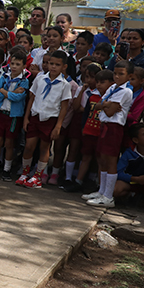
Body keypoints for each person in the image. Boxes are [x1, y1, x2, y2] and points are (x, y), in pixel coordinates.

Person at [17, 51, 72, 189]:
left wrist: (58, 126)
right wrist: (26, 118)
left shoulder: (65, 85)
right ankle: (25, 173)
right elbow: (32, 98)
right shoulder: (40, 79)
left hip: (50, 119)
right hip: (35, 117)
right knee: (29, 146)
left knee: (44, 147)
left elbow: (64, 107)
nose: (53, 67)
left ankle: (38, 176)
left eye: (57, 65)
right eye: (50, 63)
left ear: (64, 66)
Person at [83, 61, 134, 207]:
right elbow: (98, 105)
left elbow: (110, 112)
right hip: (105, 125)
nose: (117, 77)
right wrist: (106, 104)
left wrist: (105, 104)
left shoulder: (126, 91)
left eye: (121, 74)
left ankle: (108, 196)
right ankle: (102, 191)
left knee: (110, 160)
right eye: (115, 74)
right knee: (102, 159)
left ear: (129, 76)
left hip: (114, 127)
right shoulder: (113, 87)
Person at [61, 64, 105, 193]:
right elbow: (76, 107)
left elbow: (87, 108)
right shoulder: (82, 89)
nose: (89, 80)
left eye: (92, 78)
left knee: (94, 155)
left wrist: (84, 108)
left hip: (93, 125)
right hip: (78, 122)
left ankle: (93, 182)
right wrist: (82, 91)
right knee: (74, 149)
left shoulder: (100, 94)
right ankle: (70, 178)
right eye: (87, 77)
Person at [0, 48, 29, 180]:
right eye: (12, 63)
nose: (14, 66)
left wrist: (4, 92)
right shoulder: (4, 77)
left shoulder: (24, 81)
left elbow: (18, 98)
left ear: (24, 66)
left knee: (9, 143)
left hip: (13, 116)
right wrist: (9, 94)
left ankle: (6, 169)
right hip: (1, 113)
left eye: (18, 64)